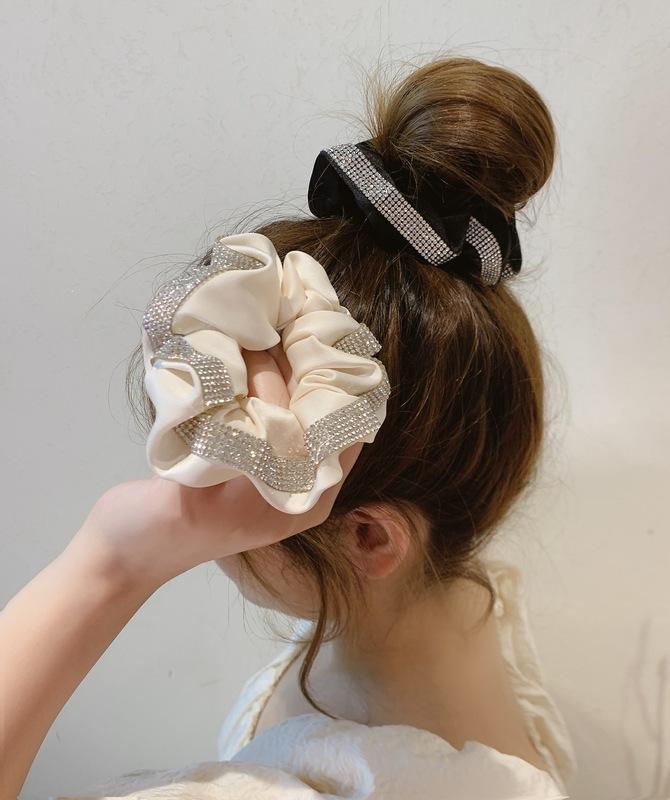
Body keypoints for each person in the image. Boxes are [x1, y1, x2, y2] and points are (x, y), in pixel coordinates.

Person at [0, 55, 578, 799]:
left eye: (217, 480)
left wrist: (112, 561)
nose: (180, 492)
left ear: (369, 539)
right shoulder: (468, 619)